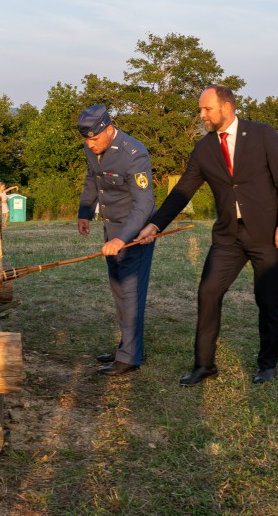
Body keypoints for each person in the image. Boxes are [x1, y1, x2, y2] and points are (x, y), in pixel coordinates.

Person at [136, 85, 278, 387]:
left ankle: (267, 364)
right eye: (201, 109)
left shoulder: (262, 134)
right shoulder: (204, 148)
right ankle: (204, 365)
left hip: (268, 233)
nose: (201, 115)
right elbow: (183, 190)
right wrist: (156, 224)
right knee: (208, 292)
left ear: (226, 107)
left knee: (267, 299)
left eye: (206, 109)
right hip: (228, 236)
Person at [76, 105, 156, 376]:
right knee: (119, 290)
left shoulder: (135, 153)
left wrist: (123, 238)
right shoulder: (92, 146)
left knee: (131, 293)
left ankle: (129, 357)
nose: (90, 145)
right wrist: (85, 211)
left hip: (135, 234)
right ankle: (126, 345)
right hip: (111, 230)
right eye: (86, 140)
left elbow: (144, 204)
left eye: (95, 139)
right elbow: (92, 177)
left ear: (109, 130)